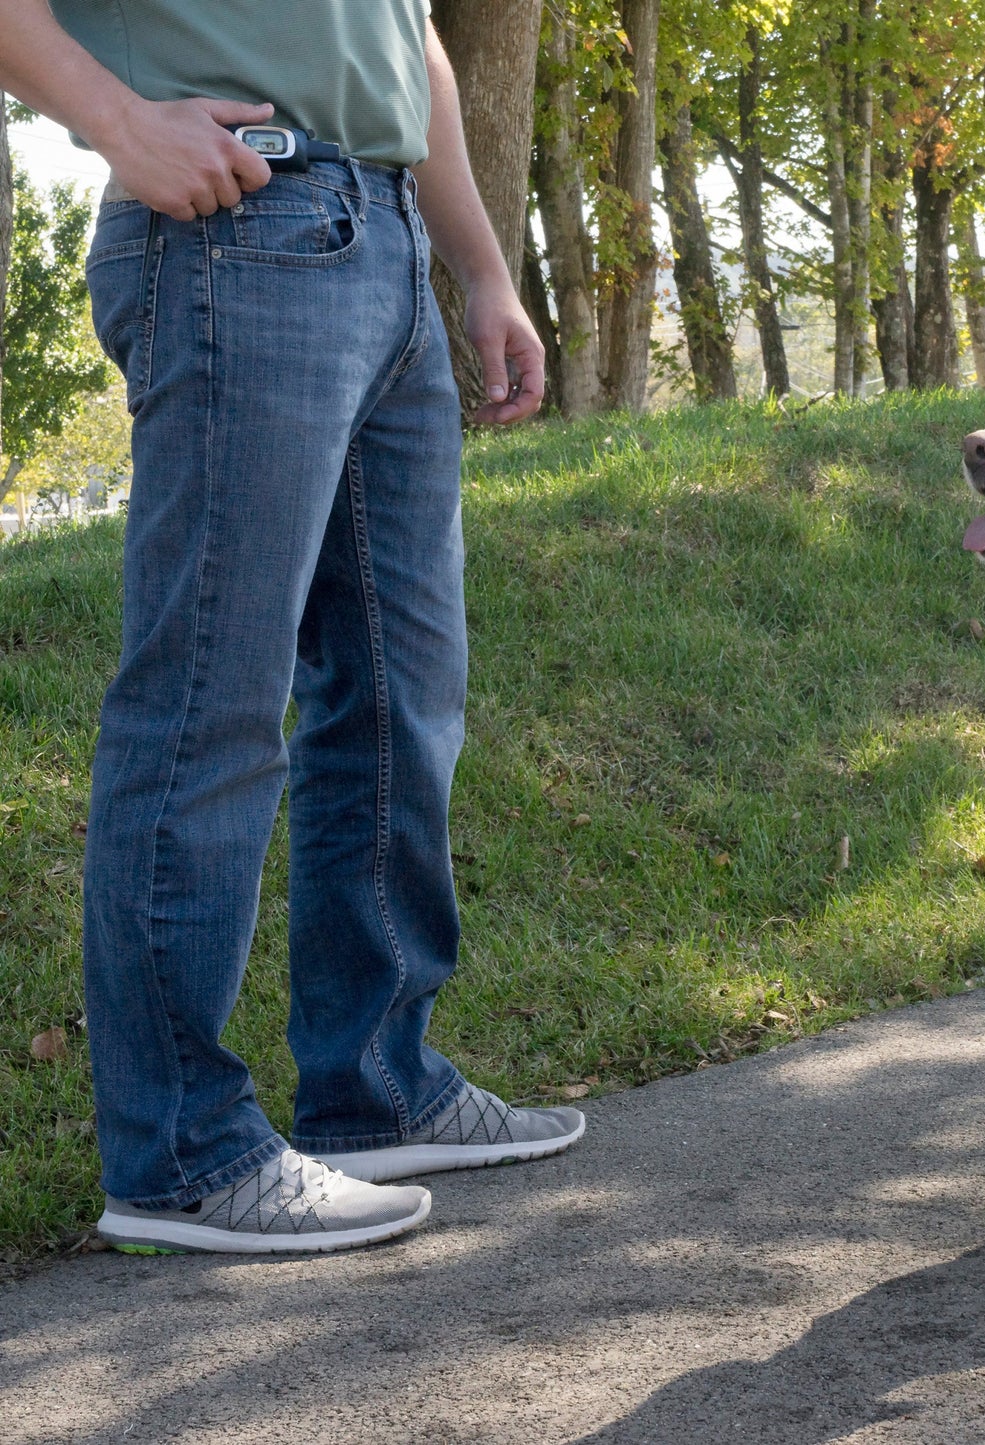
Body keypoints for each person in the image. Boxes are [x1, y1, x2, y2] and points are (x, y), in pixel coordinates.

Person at [0, 0, 584, 1254]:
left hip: (381, 240)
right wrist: (115, 122)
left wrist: (478, 266)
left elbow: (407, 37)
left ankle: (376, 1086)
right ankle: (180, 1153)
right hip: (236, 222)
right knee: (208, 700)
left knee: (399, 694)